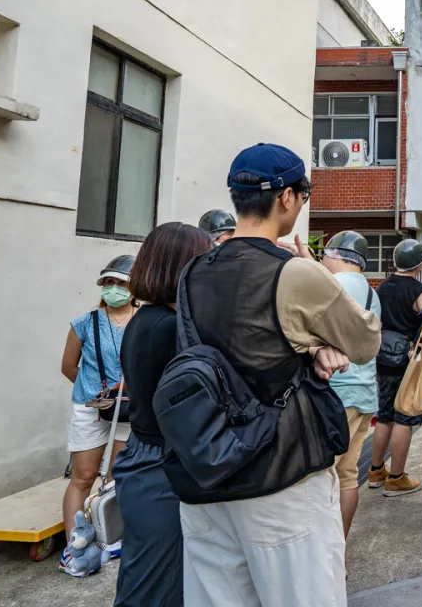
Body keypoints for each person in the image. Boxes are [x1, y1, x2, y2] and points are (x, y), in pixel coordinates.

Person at [176, 143, 381, 606]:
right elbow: (366, 340)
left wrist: (307, 350)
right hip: (281, 474)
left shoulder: (192, 272)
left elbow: (234, 352)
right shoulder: (294, 273)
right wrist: (315, 274)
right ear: (286, 197)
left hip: (207, 469)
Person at [114, 222, 212, 605]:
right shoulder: (170, 328)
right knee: (156, 585)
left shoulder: (145, 319)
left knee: (150, 575)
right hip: (162, 468)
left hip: (143, 456)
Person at [59, 254, 136, 574]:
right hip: (91, 407)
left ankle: (109, 535)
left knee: (118, 478)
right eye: (108, 282)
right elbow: (68, 367)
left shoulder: (145, 320)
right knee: (83, 477)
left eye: (121, 283)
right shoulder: (84, 323)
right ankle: (72, 547)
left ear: (134, 288)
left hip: (130, 408)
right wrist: (97, 393)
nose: (113, 288)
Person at [320, 230, 382, 536]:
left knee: (321, 476)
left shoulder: (330, 286)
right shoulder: (373, 293)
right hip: (365, 393)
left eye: (324, 256)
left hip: (336, 393)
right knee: (347, 475)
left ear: (335, 255)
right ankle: (339, 549)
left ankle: (322, 556)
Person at [368, 238, 422, 496]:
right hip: (407, 361)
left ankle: (375, 472)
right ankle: (396, 477)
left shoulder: (381, 287)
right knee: (404, 418)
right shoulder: (420, 291)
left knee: (384, 417)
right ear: (419, 264)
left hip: (383, 358)